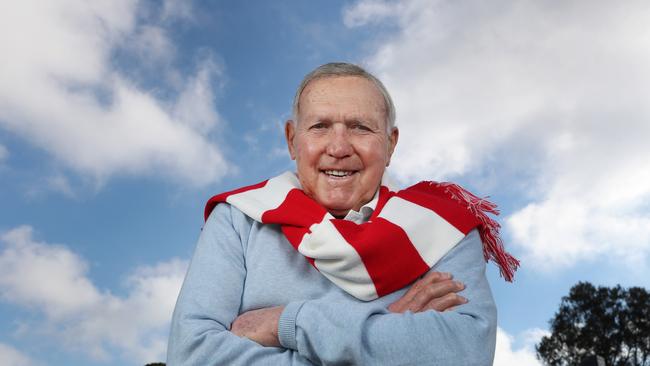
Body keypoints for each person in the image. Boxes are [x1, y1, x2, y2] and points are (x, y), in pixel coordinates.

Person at [167, 62, 518, 365]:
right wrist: (386, 329)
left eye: (360, 127)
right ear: (292, 140)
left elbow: (466, 352)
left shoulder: (441, 226)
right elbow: (192, 355)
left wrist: (285, 324)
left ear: (390, 143)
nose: (338, 148)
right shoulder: (238, 219)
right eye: (319, 126)